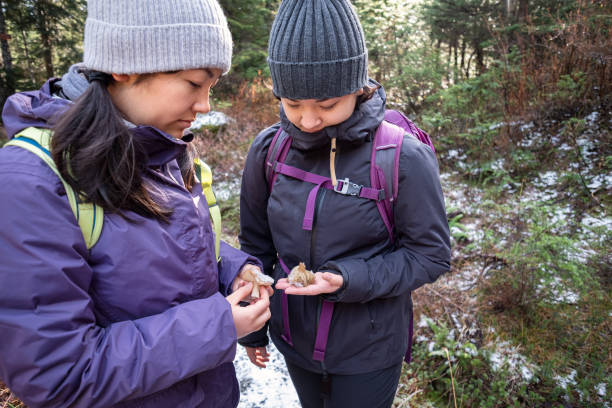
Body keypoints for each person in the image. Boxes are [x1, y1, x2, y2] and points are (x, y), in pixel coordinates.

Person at [0, 0, 272, 407]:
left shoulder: (162, 145)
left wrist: (233, 269)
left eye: (212, 86)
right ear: (125, 67)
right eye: (195, 83)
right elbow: (57, 375)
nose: (205, 106)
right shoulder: (32, 181)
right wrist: (216, 327)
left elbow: (166, 245)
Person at [238, 0, 451, 407]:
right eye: (292, 103)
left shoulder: (402, 157)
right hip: (293, 339)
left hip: (369, 351)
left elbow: (431, 255)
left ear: (357, 84)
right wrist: (252, 329)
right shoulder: (269, 150)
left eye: (327, 104)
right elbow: (255, 246)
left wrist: (346, 279)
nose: (309, 120)